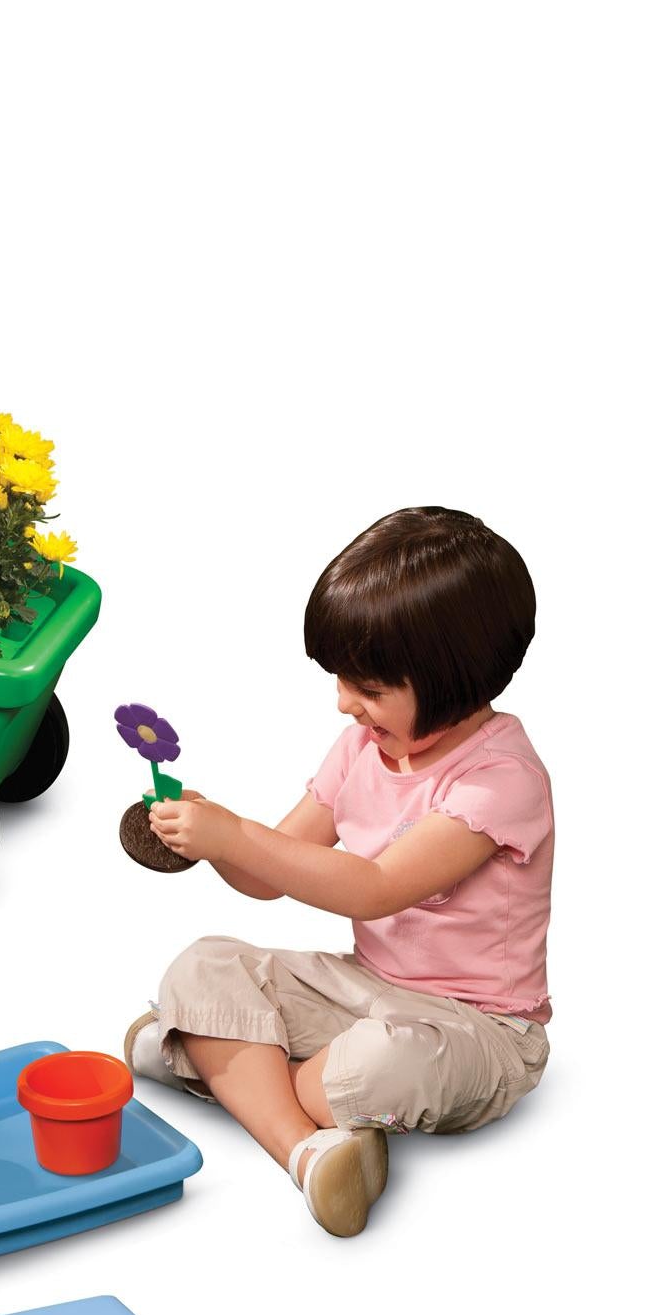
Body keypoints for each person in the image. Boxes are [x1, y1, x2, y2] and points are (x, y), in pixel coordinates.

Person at [124, 507, 552, 1237]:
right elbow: (268, 876)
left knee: (375, 1066)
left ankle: (216, 1062)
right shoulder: (360, 748)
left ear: (452, 680)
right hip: (363, 988)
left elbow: (375, 887)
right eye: (343, 681)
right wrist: (216, 840)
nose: (345, 703)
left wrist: (239, 835)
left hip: (480, 1028)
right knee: (204, 965)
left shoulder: (499, 780)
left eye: (370, 689)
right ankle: (309, 1150)